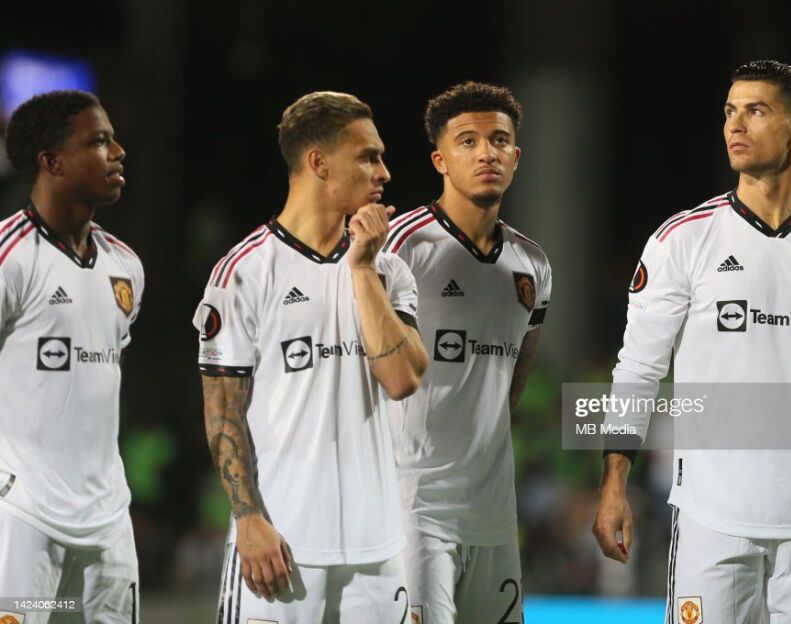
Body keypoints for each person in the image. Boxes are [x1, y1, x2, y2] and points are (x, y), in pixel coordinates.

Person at [592, 60, 791, 624]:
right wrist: (614, 484)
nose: (734, 126)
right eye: (729, 112)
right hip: (710, 521)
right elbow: (638, 370)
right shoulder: (682, 240)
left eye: (756, 111)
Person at [194, 91, 428, 623]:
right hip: (281, 546)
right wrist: (248, 519)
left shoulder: (389, 270)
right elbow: (223, 413)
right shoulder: (245, 272)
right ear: (318, 162)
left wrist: (362, 268)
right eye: (368, 157)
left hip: (378, 551)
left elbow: (402, 379)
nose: (384, 173)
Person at [385, 81, 551, 623]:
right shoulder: (401, 245)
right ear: (440, 160)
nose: (486, 153)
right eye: (468, 141)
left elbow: (514, 378)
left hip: (493, 512)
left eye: (499, 140)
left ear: (516, 157)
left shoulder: (533, 264)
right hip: (413, 507)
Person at [0, 90, 143, 622]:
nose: (118, 153)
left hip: (109, 521)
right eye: (99, 141)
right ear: (52, 161)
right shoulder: (11, 258)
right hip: (25, 517)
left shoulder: (126, 267)